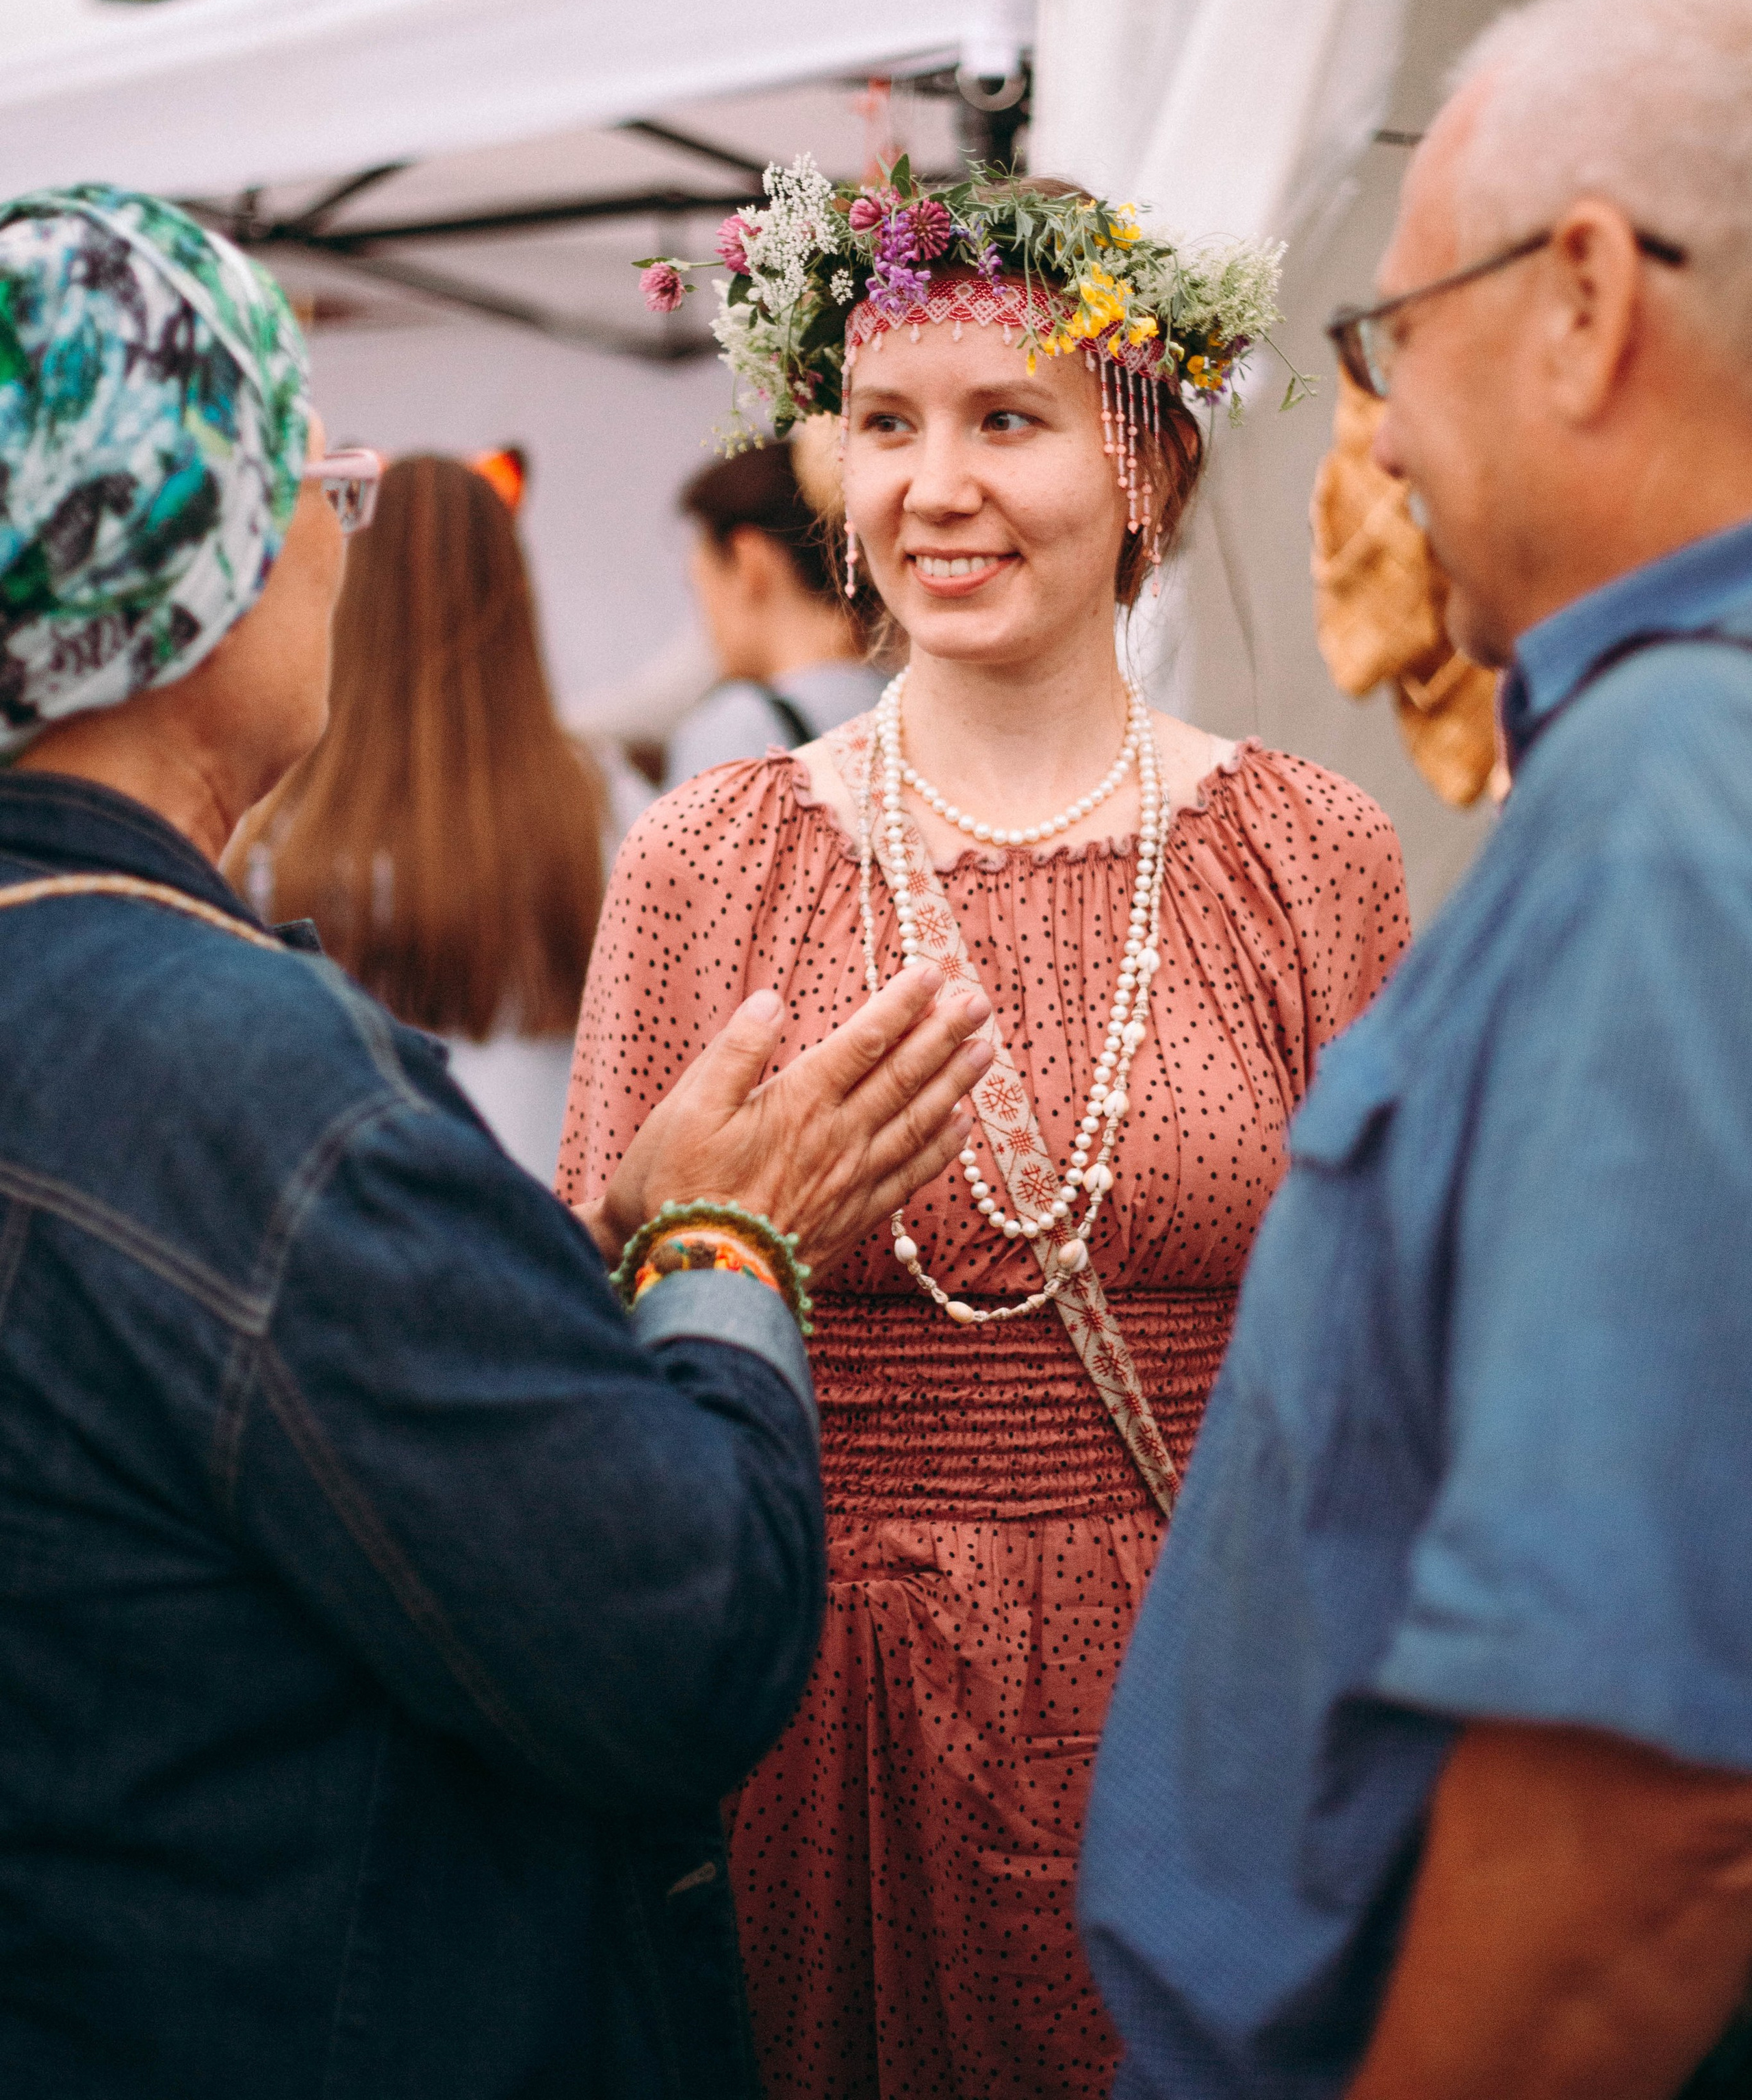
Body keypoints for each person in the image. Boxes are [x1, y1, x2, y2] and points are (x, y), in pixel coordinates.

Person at [0, 185, 996, 2100]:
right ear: (193, 551)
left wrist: (558, 1275)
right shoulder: (250, 1090)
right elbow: (677, 1635)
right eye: (320, 486)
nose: (339, 546)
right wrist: (721, 1249)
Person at [562, 165, 1408, 2099]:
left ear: (1148, 470)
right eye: (885, 427)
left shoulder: (1304, 854)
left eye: (1006, 420)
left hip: (1210, 1676)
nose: (934, 488)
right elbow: (595, 1336)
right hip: (820, 1712)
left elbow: (1385, 1349)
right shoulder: (712, 858)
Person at [1079, 0, 1752, 2100]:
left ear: (1581, 300)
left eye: (1389, 337)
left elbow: (1641, 1815)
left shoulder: (1669, 795)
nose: (1366, 434)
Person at [229, 448, 606, 1178]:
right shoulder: (600, 802)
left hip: (344, 1219)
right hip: (551, 1228)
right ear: (515, 589)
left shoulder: (279, 828)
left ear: (353, 593)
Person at [667, 435, 881, 783]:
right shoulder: (927, 701)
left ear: (749, 562)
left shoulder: (736, 731)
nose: (705, 626)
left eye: (702, 589)